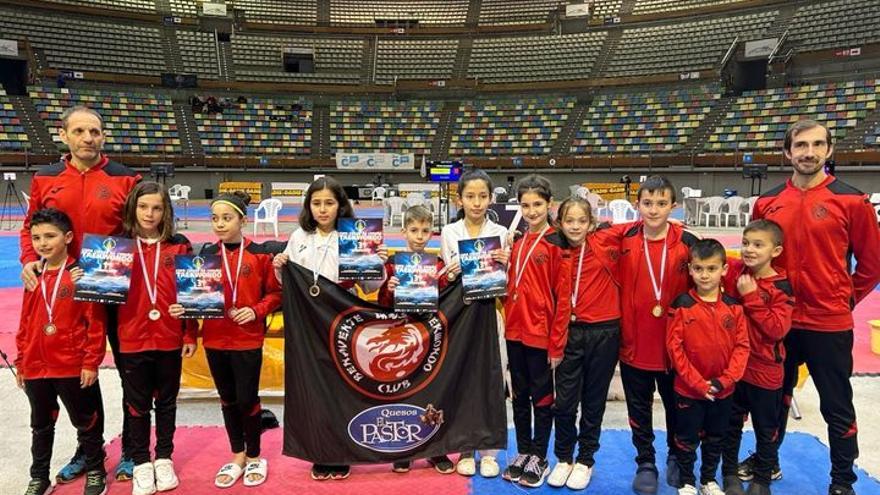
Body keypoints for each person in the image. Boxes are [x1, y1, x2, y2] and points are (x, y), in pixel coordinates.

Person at [748, 120, 880, 495]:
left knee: (836, 404)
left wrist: (844, 298)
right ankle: (767, 463)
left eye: (817, 144)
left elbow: (871, 264)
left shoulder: (852, 201)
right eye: (801, 145)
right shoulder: (767, 202)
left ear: (829, 150)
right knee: (773, 398)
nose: (809, 152)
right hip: (779, 321)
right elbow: (756, 256)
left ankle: (842, 481)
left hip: (829, 322)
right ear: (788, 153)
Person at [19, 105, 141, 483]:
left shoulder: (125, 177)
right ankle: (89, 450)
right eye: (80, 131)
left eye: (95, 132)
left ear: (102, 136)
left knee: (129, 372)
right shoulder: (46, 178)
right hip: (68, 293)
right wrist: (28, 259)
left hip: (115, 286)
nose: (88, 138)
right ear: (64, 135)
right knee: (79, 376)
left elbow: (142, 228)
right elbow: (31, 227)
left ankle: (135, 452)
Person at [272, 176, 387, 481]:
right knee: (313, 388)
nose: (323, 209)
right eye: (317, 203)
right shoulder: (299, 237)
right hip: (309, 325)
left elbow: (370, 285)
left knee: (343, 388)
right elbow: (290, 286)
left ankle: (342, 450)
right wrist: (279, 268)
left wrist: (377, 265)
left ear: (340, 205)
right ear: (309, 206)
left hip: (344, 323)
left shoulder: (354, 237)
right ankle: (320, 450)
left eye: (329, 203)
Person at [174, 192, 281, 489]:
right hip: (215, 340)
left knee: (247, 399)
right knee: (227, 399)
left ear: (242, 221)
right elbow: (192, 300)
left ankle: (256, 456)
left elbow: (275, 294)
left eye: (227, 218)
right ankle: (238, 454)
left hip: (247, 340)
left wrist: (256, 310)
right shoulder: (204, 257)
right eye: (214, 218)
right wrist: (188, 329)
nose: (220, 224)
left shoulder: (260, 255)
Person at [610, 175, 699, 494]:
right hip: (635, 342)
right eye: (647, 203)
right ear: (637, 206)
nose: (654, 210)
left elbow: (705, 287)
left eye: (662, 204)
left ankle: (677, 455)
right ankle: (645, 460)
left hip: (675, 345)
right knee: (639, 406)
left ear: (673, 207)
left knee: (677, 406)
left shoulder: (689, 244)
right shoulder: (623, 238)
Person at [113, 182, 198, 495]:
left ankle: (164, 457)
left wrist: (190, 331)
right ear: (133, 208)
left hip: (169, 337)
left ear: (167, 211)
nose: (150, 214)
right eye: (144, 207)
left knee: (166, 402)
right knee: (136, 406)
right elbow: (100, 292)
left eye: (157, 208)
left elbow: (193, 295)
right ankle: (140, 463)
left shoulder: (180, 245)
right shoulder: (118, 246)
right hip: (131, 338)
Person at [16, 208, 108, 495]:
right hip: (36, 365)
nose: (43, 243)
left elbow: (95, 324)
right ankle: (39, 476)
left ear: (68, 237)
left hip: (72, 364)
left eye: (50, 236)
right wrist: (22, 361)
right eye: (36, 238)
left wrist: (91, 362)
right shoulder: (33, 276)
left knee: (87, 422)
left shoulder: (81, 275)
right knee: (40, 426)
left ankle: (95, 469)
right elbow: (25, 321)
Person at [439, 169, 510, 478]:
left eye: (483, 196)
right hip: (462, 316)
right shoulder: (449, 233)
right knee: (464, 378)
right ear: (460, 199)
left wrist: (507, 264)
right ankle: (466, 447)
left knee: (493, 378)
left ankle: (490, 450)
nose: (477, 202)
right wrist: (451, 272)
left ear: (490, 198)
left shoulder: (503, 233)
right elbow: (447, 280)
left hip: (493, 313)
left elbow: (508, 282)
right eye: (470, 196)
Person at [501, 174, 571, 488]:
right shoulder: (516, 243)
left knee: (542, 398)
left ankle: (540, 455)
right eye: (525, 205)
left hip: (541, 335)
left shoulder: (557, 242)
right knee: (519, 396)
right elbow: (512, 290)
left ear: (549, 204)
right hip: (514, 331)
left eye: (537, 204)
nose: (531, 211)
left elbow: (563, 298)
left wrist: (557, 344)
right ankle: (523, 451)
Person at [548, 197, 621, 490]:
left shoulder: (606, 242)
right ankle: (564, 457)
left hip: (605, 332)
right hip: (570, 332)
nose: (575, 227)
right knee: (564, 403)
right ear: (560, 223)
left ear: (591, 223)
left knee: (593, 402)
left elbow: (640, 227)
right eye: (569, 221)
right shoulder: (555, 250)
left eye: (581, 221)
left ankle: (586, 460)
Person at [666, 239, 750, 495]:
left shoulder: (734, 307)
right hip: (689, 390)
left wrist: (726, 380)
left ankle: (708, 480)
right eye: (699, 268)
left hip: (723, 390)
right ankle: (687, 480)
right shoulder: (681, 304)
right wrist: (698, 383)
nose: (705, 275)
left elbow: (742, 347)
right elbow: (675, 349)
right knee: (686, 439)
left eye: (711, 269)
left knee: (716, 438)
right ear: (690, 269)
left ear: (724, 269)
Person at [376, 204, 455, 475]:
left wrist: (449, 279)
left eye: (425, 230)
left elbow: (448, 300)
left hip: (432, 339)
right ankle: (404, 449)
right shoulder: (392, 265)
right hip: (402, 338)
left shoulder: (439, 266)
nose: (419, 236)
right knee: (404, 390)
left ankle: (436, 449)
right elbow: (382, 304)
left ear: (432, 233)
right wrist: (389, 289)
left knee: (435, 391)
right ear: (403, 231)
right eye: (414, 230)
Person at [719, 220, 793, 495]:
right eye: (746, 243)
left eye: (758, 245)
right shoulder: (737, 270)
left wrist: (750, 297)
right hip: (735, 368)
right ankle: (729, 473)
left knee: (766, 429)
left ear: (776, 251)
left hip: (765, 371)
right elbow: (711, 255)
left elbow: (777, 329)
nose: (749, 250)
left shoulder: (781, 286)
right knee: (731, 425)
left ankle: (762, 478)